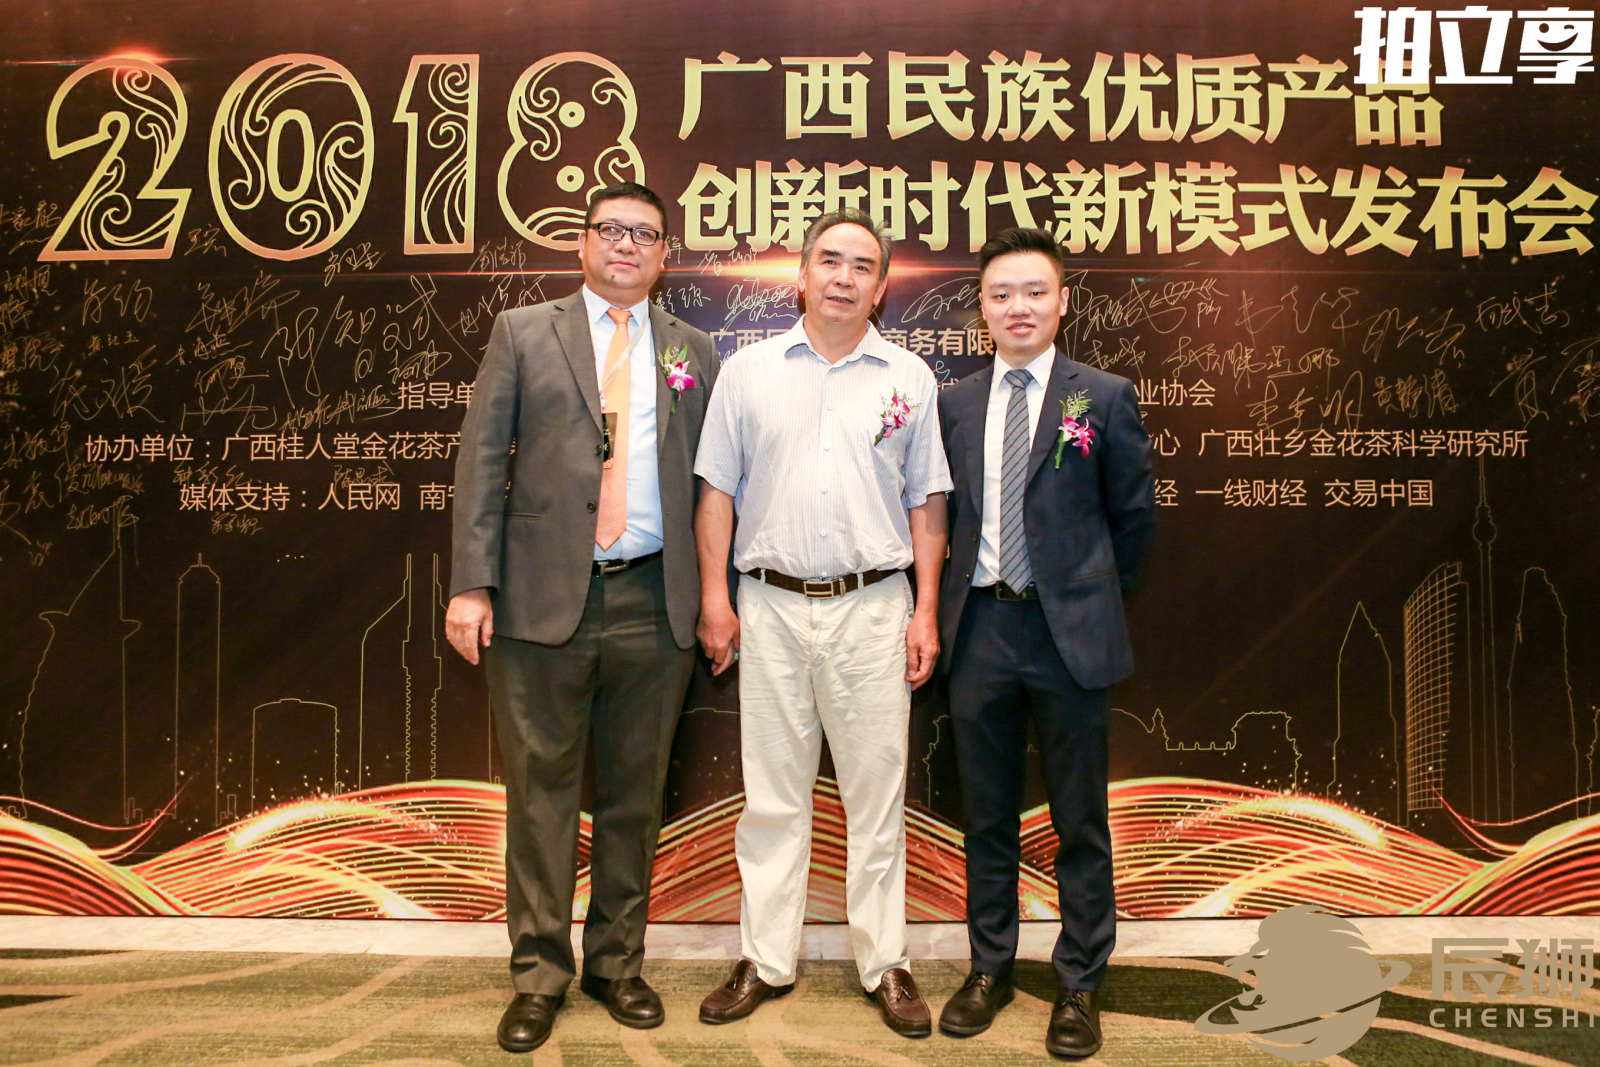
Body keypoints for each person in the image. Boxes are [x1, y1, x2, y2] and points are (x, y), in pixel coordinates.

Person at [445, 183, 719, 1054]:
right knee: (541, 798)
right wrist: (471, 583)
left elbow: (713, 481)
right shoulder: (525, 332)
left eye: (645, 234)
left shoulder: (693, 349)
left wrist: (716, 596)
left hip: (656, 598)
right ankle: (538, 975)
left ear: (665, 253)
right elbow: (481, 460)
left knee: (635, 799)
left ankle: (616, 964)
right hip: (539, 598)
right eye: (612, 230)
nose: (627, 245)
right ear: (583, 243)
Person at [692, 209, 951, 1037]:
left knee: (877, 798)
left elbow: (928, 501)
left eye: (862, 266)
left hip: (875, 607)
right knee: (772, 797)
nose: (844, 277)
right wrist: (715, 598)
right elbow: (716, 492)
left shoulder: (910, 377)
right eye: (829, 261)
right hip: (767, 604)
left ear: (881, 288)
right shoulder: (748, 372)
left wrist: (926, 610)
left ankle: (886, 962)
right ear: (801, 275)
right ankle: (765, 958)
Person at [934, 227, 1154, 1057]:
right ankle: (988, 967)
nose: (1018, 307)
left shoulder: (1103, 395)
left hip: (1069, 631)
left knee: (1079, 819)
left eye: (1034, 291)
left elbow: (1134, 519)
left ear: (1063, 301)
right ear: (982, 307)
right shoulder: (954, 403)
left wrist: (1084, 596)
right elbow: (943, 515)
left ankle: (1079, 982)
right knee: (986, 814)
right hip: (980, 628)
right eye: (1001, 294)